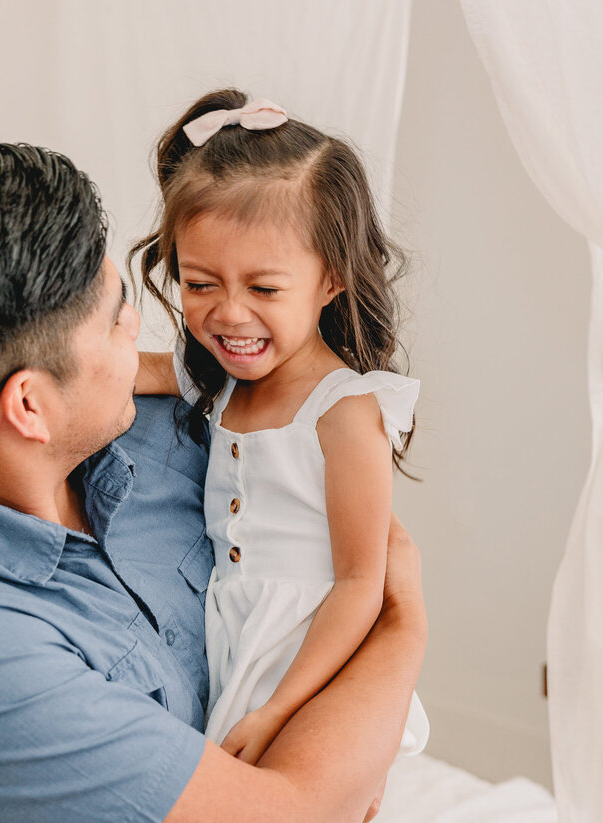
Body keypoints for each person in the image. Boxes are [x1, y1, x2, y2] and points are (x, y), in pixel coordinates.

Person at [0, 143, 426, 823]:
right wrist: (404, 622)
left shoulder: (157, 433)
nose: (142, 330)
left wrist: (355, 741)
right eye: (114, 318)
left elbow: (323, 554)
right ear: (30, 406)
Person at [133, 90, 428, 764]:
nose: (229, 314)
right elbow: (111, 370)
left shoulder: (345, 411)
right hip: (234, 646)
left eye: (263, 289)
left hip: (311, 665)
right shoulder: (218, 378)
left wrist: (276, 710)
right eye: (201, 283)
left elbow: (361, 585)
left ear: (330, 280)